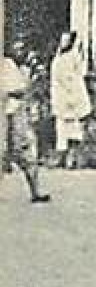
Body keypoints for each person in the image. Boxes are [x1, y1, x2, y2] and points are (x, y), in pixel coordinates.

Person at [2, 45, 50, 204]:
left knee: (26, 152)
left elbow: (20, 90)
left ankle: (35, 191)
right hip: (5, 114)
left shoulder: (12, 66)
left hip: (15, 113)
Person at [50, 32, 92, 169]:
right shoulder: (59, 57)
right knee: (62, 130)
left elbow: (73, 77)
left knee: (73, 129)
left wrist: (73, 98)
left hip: (71, 97)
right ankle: (62, 158)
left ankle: (71, 159)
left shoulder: (72, 57)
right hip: (61, 97)